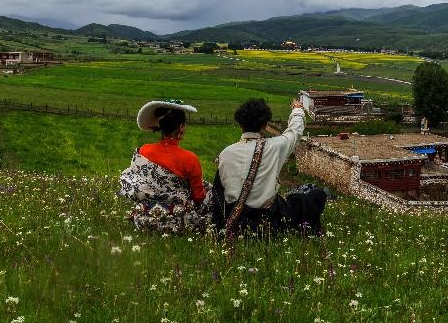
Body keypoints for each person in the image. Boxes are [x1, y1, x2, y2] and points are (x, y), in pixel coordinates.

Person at [212, 97, 326, 238]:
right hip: (269, 220)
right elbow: (295, 131)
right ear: (265, 125)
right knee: (316, 195)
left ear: (240, 124)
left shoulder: (225, 153)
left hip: (236, 220)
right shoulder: (275, 146)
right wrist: (297, 108)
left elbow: (219, 192)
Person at [118, 99, 212, 233]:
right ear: (181, 127)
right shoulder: (190, 158)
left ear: (160, 126)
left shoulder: (143, 150)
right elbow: (198, 197)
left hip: (144, 219)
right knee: (211, 191)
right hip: (178, 222)